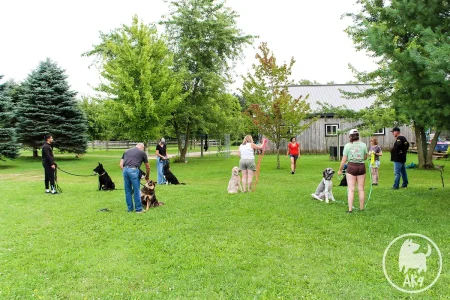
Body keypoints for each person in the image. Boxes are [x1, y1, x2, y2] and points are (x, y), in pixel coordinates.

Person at [338, 129, 368, 213]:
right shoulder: (363, 145)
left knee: (351, 189)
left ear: (350, 137)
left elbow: (344, 160)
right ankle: (362, 208)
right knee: (361, 189)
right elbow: (365, 157)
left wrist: (340, 170)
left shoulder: (347, 146)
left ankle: (350, 209)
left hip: (351, 167)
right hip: (361, 167)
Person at [120, 143, 150, 213]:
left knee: (128, 191)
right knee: (136, 190)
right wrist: (147, 176)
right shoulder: (142, 153)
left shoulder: (126, 151)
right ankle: (139, 209)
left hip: (125, 170)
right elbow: (148, 167)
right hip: (133, 170)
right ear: (142, 147)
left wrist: (126, 171)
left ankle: (130, 209)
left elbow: (120, 164)